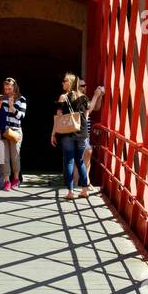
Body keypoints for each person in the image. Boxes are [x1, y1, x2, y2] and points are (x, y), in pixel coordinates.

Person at [50, 71, 91, 200]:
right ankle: (84, 190)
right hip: (82, 133)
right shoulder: (84, 97)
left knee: (69, 161)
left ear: (70, 83)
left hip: (67, 133)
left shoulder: (63, 97)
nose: (63, 83)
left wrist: (53, 133)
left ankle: (70, 192)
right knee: (80, 161)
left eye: (65, 81)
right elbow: (86, 115)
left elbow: (58, 116)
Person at [0, 77, 26, 190]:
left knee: (15, 156)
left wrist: (12, 107)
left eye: (10, 88)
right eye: (6, 89)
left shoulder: (21, 99)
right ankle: (7, 181)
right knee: (4, 157)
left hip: (15, 131)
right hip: (3, 130)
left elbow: (21, 116)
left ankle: (16, 179)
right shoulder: (3, 98)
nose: (7, 91)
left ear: (15, 87)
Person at [79, 80, 105, 191]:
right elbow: (88, 111)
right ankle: (82, 184)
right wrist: (96, 95)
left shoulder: (84, 99)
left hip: (85, 134)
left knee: (83, 158)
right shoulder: (78, 99)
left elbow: (96, 107)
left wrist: (100, 97)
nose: (85, 87)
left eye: (85, 85)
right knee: (81, 159)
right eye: (82, 85)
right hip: (80, 134)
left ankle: (82, 183)